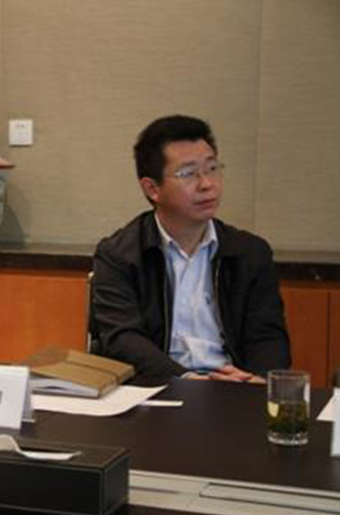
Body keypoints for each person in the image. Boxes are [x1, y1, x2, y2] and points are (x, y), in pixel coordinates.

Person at [91, 115, 290, 385]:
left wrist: (256, 381)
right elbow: (123, 338)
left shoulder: (250, 252)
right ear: (152, 188)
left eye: (212, 168)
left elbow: (268, 335)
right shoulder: (119, 255)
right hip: (158, 389)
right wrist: (186, 380)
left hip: (235, 387)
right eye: (188, 173)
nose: (207, 184)